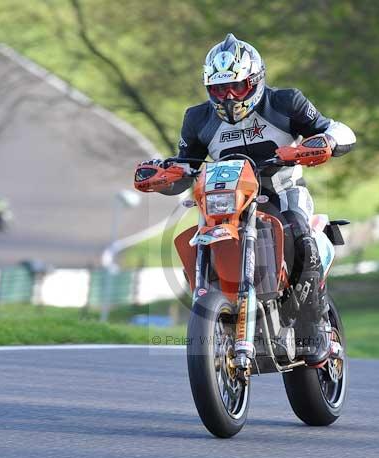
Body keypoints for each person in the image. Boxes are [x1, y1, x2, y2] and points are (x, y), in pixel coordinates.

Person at [141, 34, 355, 364]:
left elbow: (338, 130)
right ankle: (215, 309)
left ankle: (313, 327)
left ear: (254, 81)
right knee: (196, 238)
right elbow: (186, 166)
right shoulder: (197, 119)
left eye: (236, 88)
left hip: (281, 193)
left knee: (301, 233)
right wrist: (164, 174)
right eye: (218, 89)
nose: (227, 97)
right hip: (226, 201)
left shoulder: (286, 103)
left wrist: (322, 142)